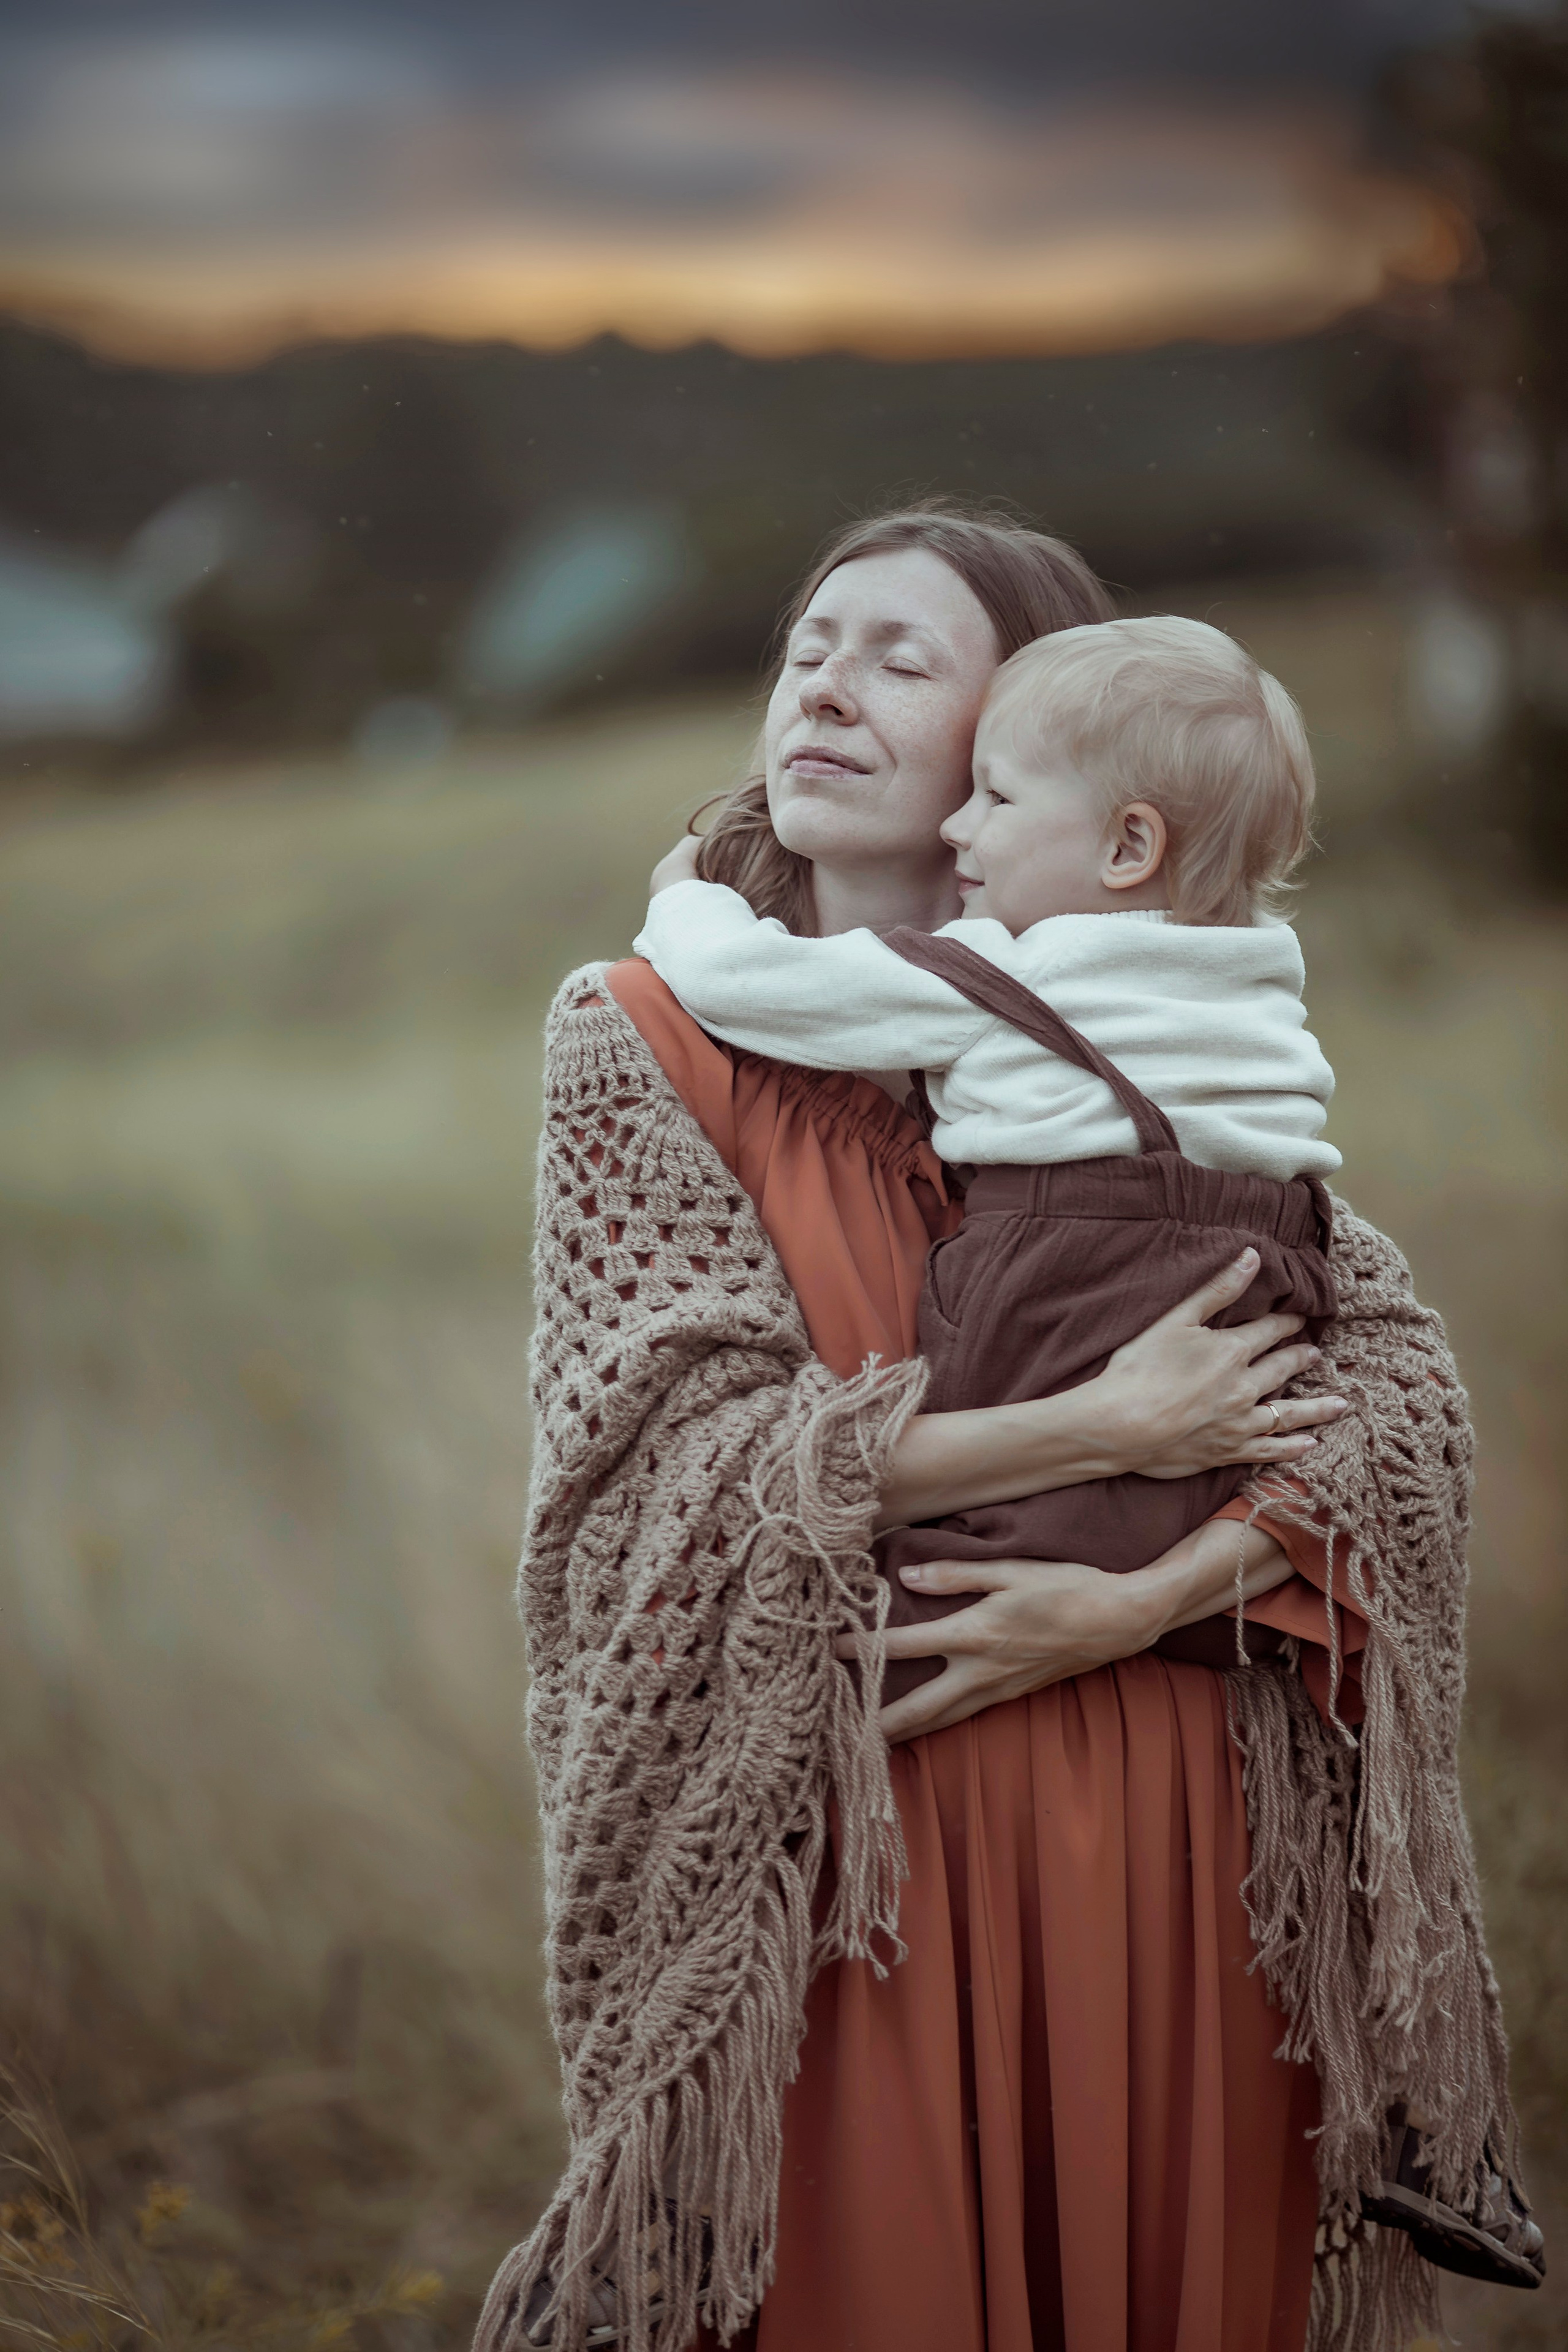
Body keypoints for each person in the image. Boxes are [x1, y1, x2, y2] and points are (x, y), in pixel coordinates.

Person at [477, 511, 1531, 2352]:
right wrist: (1093, 1426)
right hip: (844, 1868)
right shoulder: (642, 1028)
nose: (824, 682)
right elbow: (663, 1469)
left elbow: (1392, 1399)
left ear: (1024, 745)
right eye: (811, 642)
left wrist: (1137, 1601)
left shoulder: (1144, 1027)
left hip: (1184, 1862)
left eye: (901, 657)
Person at [635, 613, 1340, 1697]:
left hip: (1069, 1272)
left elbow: (751, 990)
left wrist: (685, 900)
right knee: (1123, 1515)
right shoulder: (1258, 979)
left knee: (910, 1597)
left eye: (997, 797)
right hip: (1264, 1276)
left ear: (1126, 849)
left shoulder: (1014, 974)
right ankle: (1190, 1608)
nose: (962, 828)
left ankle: (825, 1710)